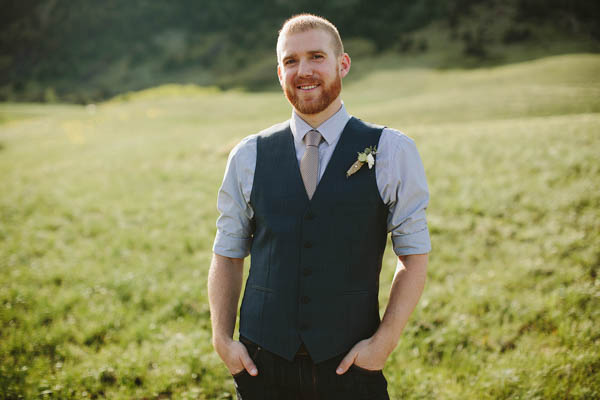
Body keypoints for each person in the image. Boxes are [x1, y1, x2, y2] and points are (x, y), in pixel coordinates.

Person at [208, 13, 431, 400]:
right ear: (280, 73)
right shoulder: (248, 155)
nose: (303, 70)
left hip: (350, 367)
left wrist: (383, 344)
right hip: (262, 366)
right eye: (291, 61)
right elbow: (228, 253)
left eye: (316, 57)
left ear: (342, 64)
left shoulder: (393, 151)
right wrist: (222, 340)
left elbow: (413, 255)